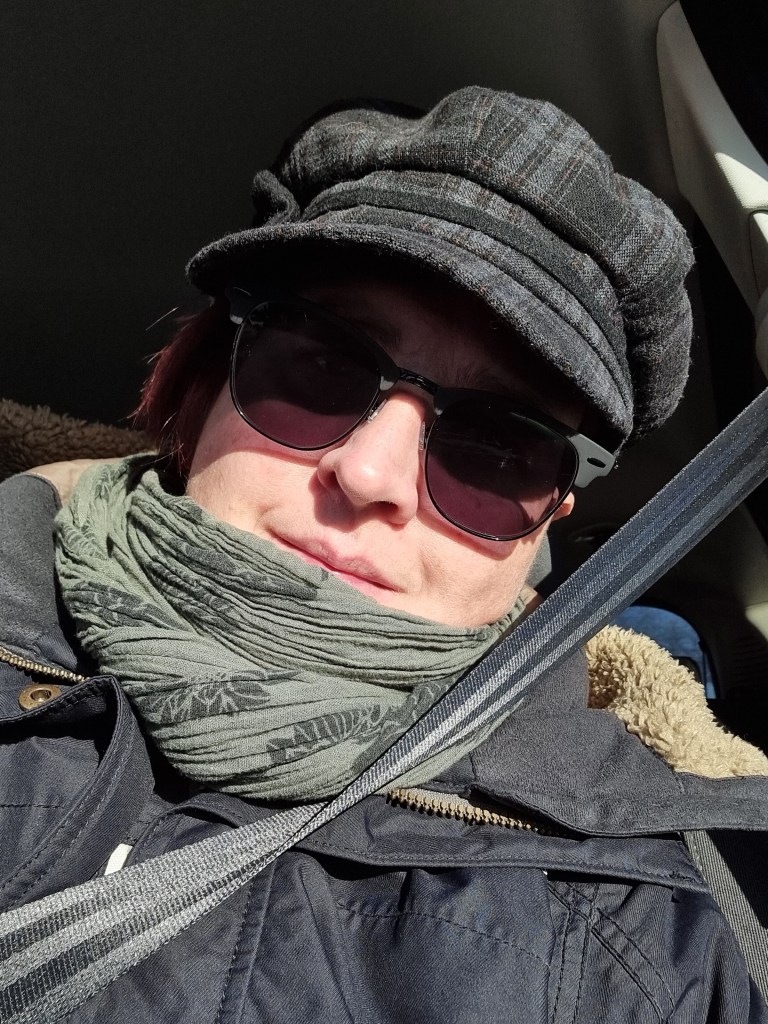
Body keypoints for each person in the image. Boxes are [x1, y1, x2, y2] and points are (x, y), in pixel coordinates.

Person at [1, 85, 767, 1022]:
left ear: (548, 520)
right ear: (209, 381)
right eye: (318, 366)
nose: (370, 474)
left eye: (496, 448)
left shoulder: (666, 942)